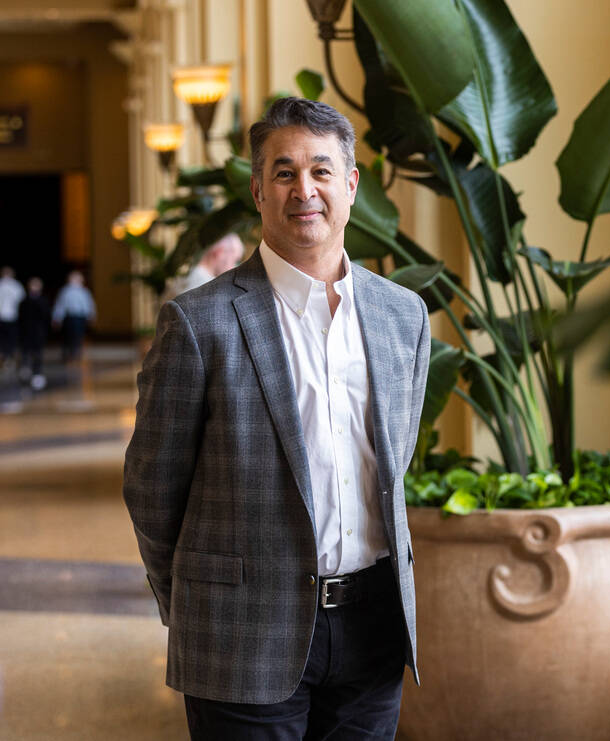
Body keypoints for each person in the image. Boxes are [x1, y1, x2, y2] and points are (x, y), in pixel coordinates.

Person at [123, 97, 430, 741]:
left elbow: (393, 464)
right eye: (284, 172)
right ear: (258, 192)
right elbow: (153, 490)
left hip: (373, 626)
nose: (304, 189)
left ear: (351, 186)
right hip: (243, 631)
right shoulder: (199, 323)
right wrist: (197, 602)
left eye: (322, 170)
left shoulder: (404, 316)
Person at [163, 231, 246, 301]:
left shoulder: (187, 274)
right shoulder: (204, 286)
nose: (234, 267)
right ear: (219, 253)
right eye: (235, 260)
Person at [52, 270, 96, 362]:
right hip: (69, 316)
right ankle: (67, 353)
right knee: (67, 336)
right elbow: (60, 305)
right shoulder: (65, 291)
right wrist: (57, 318)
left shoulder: (84, 291)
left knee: (78, 336)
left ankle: (76, 353)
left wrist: (91, 315)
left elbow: (89, 304)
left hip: (80, 317)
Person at [18, 277, 50, 391]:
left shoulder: (43, 301)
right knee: (25, 352)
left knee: (38, 353)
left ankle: (37, 373)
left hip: (38, 332)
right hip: (26, 331)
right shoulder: (24, 301)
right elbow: (20, 317)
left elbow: (46, 317)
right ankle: (25, 369)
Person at [0, 266, 25, 370]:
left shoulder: (16, 286)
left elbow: (21, 301)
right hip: (3, 316)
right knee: (4, 338)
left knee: (11, 338)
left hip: (12, 316)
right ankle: (5, 356)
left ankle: (9, 357)